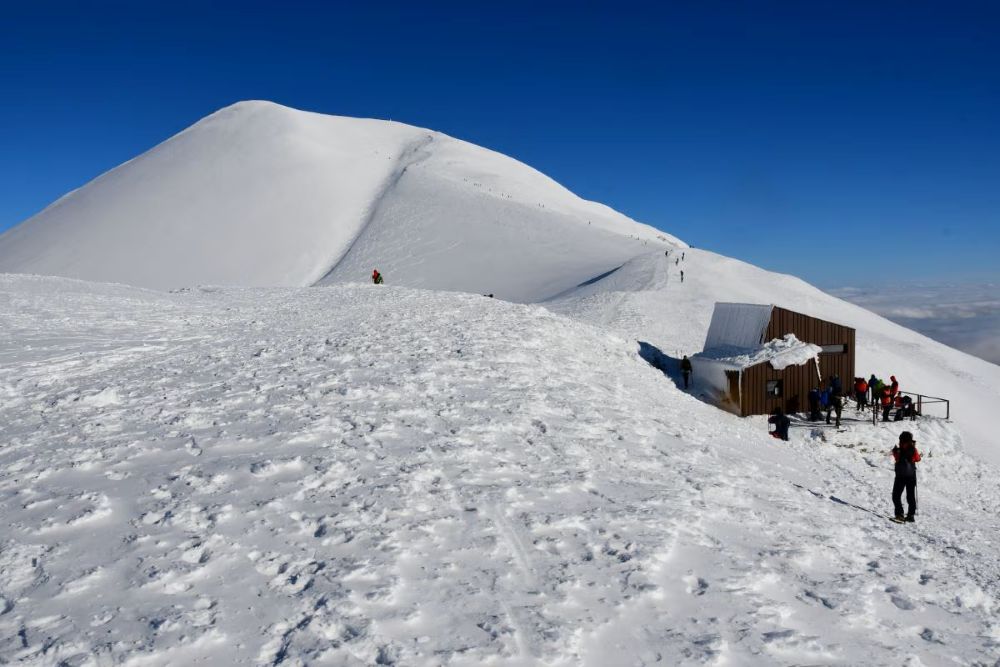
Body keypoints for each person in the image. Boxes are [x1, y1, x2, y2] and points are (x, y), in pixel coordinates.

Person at [890, 431, 921, 521]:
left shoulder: (899, 449)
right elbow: (918, 459)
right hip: (911, 475)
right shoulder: (913, 449)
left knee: (896, 495)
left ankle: (899, 514)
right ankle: (911, 516)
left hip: (900, 476)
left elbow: (897, 459)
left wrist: (895, 451)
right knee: (910, 496)